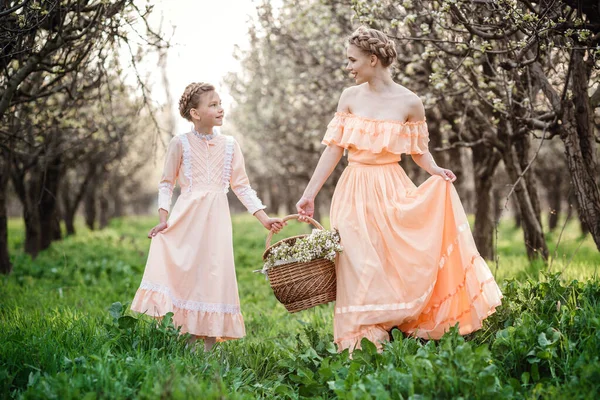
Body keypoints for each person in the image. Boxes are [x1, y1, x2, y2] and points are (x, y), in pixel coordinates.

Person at [296, 27, 502, 352]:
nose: (348, 67)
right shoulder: (349, 96)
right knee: (357, 262)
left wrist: (435, 170)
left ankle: (397, 324)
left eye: (352, 60)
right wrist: (310, 193)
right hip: (353, 189)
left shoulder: (410, 102)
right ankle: (360, 341)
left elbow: (419, 151)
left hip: (391, 187)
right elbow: (334, 149)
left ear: (373, 59)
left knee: (393, 261)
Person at [131, 82, 284, 352]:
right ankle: (187, 340)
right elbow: (166, 183)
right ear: (195, 113)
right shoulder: (179, 144)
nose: (220, 108)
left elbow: (242, 186)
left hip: (216, 223)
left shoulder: (230, 145)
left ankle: (210, 346)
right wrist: (163, 217)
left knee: (213, 274)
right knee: (188, 274)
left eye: (220, 103)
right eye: (212, 105)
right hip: (186, 220)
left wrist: (264, 218)